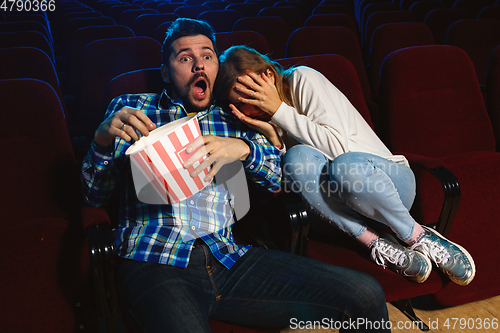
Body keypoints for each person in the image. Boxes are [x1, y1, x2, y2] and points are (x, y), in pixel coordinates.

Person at [81, 18, 391, 333]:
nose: (198, 65)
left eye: (207, 56)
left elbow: (278, 181)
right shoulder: (131, 109)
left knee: (364, 295)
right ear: (166, 72)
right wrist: (102, 141)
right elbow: (94, 197)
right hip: (155, 260)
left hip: (228, 259)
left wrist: (244, 148)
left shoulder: (234, 117)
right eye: (185, 58)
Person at [215, 45, 476, 286]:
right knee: (295, 160)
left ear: (269, 75)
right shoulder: (253, 122)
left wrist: (279, 111)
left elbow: (339, 151)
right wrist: (275, 137)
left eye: (251, 93)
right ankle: (376, 243)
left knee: (343, 167)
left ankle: (418, 236)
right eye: (238, 104)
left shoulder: (301, 80)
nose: (248, 107)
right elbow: (289, 186)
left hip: (386, 184)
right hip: (340, 212)